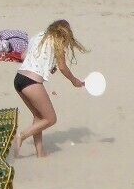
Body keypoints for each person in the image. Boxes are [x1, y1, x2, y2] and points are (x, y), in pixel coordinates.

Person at [11, 19, 87, 158]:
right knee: (51, 119)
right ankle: (21, 136)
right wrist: (74, 81)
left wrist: (46, 64)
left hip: (19, 79)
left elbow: (23, 56)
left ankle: (40, 153)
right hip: (32, 82)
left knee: (39, 117)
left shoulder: (39, 36)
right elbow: (63, 67)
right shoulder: (57, 43)